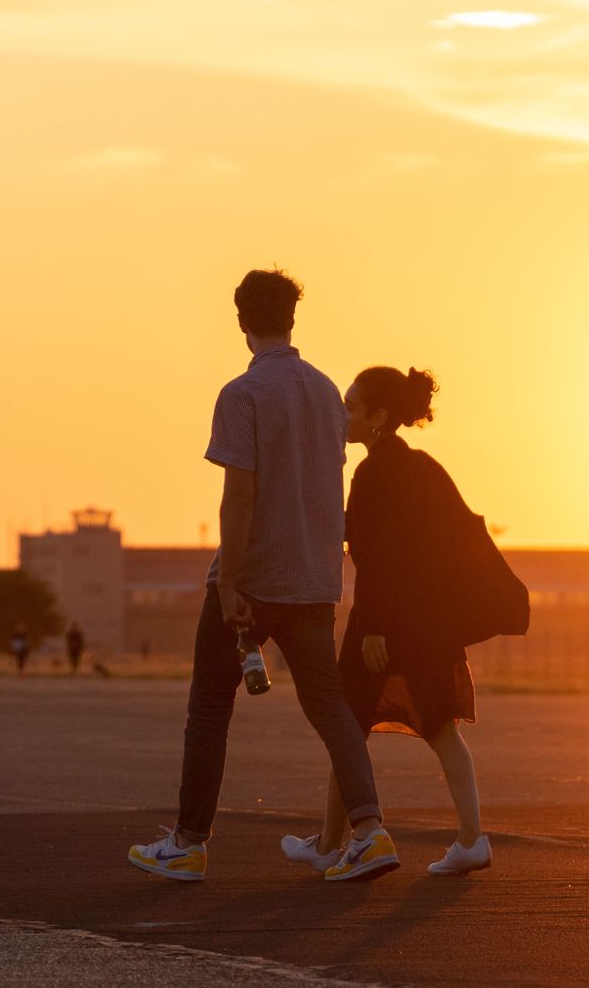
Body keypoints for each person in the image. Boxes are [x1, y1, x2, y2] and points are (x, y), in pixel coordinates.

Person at [128, 268, 396, 885]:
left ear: (243, 321)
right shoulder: (329, 394)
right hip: (312, 579)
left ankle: (189, 842)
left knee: (210, 708)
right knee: (329, 708)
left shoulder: (241, 395)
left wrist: (230, 583)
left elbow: (239, 496)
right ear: (292, 319)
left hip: (253, 579)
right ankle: (370, 833)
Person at [281, 366, 524, 877]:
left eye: (350, 406)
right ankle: (470, 839)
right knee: (440, 730)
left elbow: (379, 557)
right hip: (430, 625)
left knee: (347, 729)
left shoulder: (374, 472)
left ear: (378, 417)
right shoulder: (422, 466)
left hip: (388, 627)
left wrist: (373, 627)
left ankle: (331, 843)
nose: (342, 413)